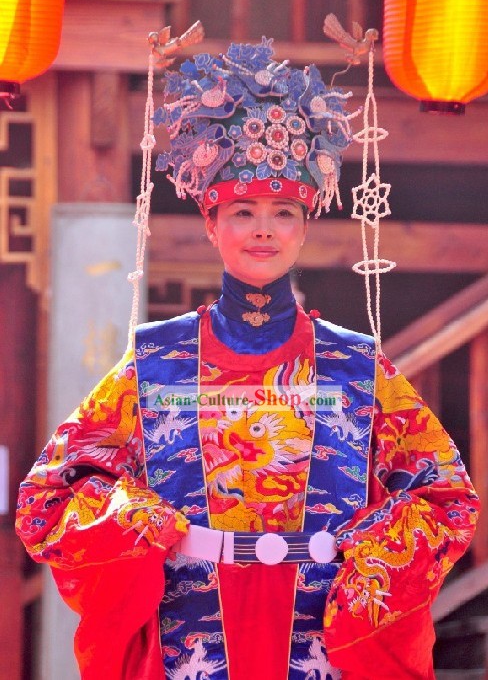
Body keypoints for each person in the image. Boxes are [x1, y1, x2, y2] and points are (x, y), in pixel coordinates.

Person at [16, 38, 479, 680]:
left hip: (321, 640)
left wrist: (371, 566)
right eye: (243, 211)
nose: (263, 229)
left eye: (282, 211)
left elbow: (445, 494)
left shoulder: (355, 366)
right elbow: (51, 492)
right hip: (192, 639)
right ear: (211, 224)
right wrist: (138, 521)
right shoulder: (158, 362)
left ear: (304, 224)